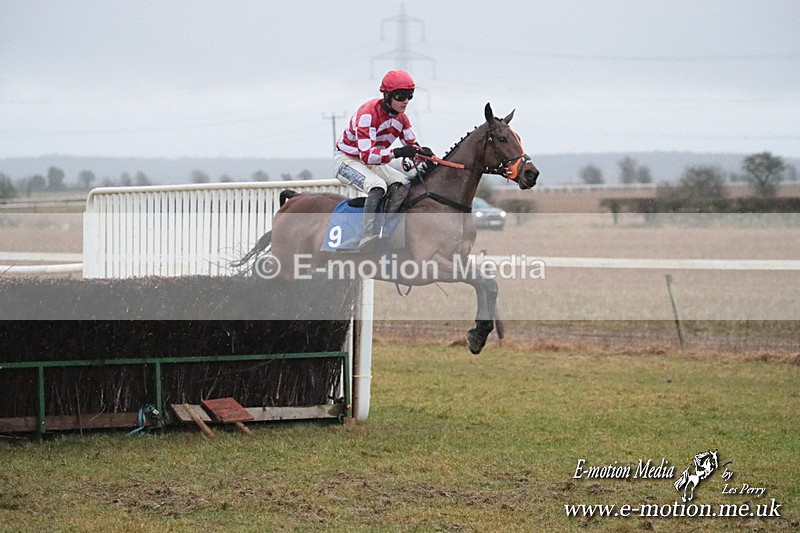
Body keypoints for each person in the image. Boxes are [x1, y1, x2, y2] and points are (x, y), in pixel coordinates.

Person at [334, 69, 433, 250]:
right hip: (347, 160)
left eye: (410, 96)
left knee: (404, 185)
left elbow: (411, 147)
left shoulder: (402, 119)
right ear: (387, 95)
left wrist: (422, 153)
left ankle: (386, 231)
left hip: (372, 162)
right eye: (401, 95)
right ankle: (366, 236)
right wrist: (398, 152)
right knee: (377, 186)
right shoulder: (367, 114)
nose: (406, 101)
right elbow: (367, 155)